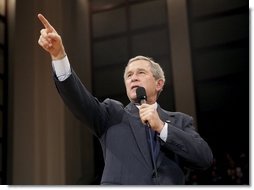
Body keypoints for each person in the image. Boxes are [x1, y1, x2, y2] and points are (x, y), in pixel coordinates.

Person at [37, 13, 213, 185]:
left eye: (141, 73)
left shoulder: (179, 121)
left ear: (159, 84)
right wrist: (59, 55)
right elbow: (78, 99)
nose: (133, 78)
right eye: (129, 75)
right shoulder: (111, 114)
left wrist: (161, 127)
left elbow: (204, 158)